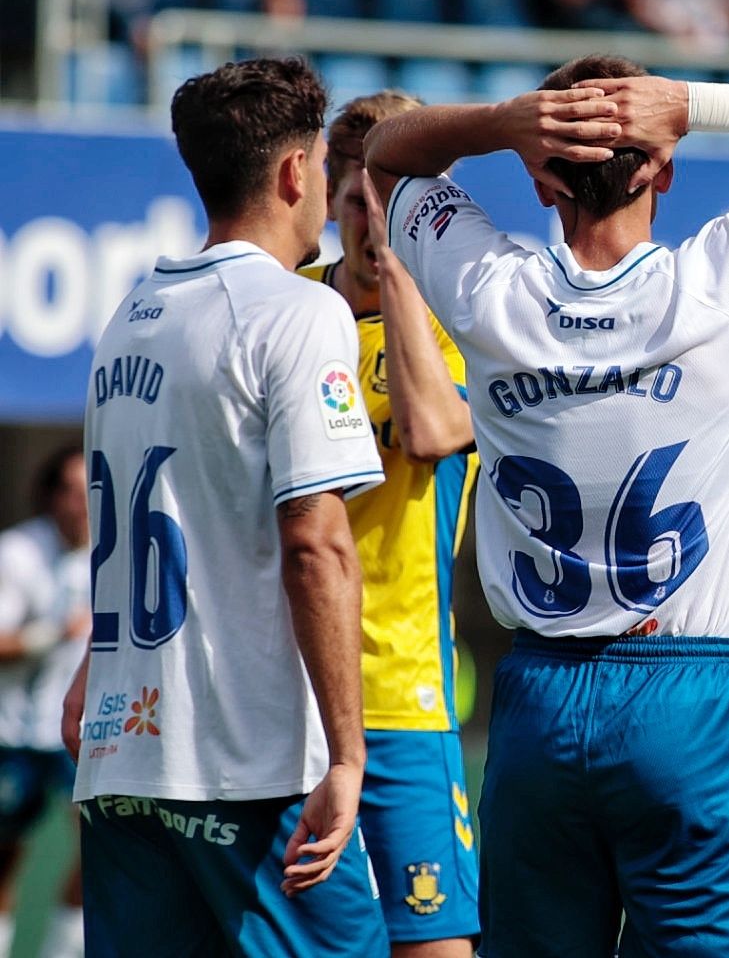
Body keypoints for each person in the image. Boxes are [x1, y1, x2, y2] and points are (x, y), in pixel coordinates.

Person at [365, 55, 729, 956]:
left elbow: (385, 153)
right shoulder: (720, 282)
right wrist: (692, 104)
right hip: (681, 694)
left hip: (537, 697)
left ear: (541, 174)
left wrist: (507, 119)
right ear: (663, 167)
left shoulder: (491, 292)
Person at [60, 56, 393, 957]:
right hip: (247, 763)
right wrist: (349, 757)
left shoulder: (129, 315)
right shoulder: (294, 313)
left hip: (125, 758)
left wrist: (100, 662)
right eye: (325, 167)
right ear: (294, 172)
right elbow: (315, 545)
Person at [300, 90, 479, 958]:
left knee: (434, 949)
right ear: (324, 201)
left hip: (405, 697)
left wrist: (405, 265)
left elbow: (434, 431)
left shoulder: (467, 315)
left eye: (392, 202)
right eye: (355, 205)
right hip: (284, 699)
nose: (371, 227)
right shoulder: (288, 308)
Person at [0, 448, 91, 957]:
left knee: (99, 852)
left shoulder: (116, 550)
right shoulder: (15, 553)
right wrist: (49, 635)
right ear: (50, 495)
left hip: (81, 735)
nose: (82, 504)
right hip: (12, 733)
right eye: (72, 491)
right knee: (6, 858)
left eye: (90, 491)